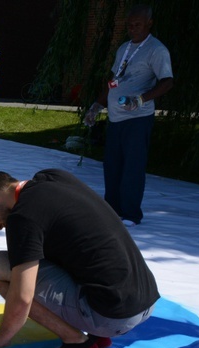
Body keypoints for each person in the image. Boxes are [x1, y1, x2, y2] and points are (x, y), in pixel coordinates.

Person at [0, 169, 159, 348]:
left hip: (112, 316)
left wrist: (1, 338)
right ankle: (98, 336)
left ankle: (77, 344)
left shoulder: (22, 216)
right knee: (58, 251)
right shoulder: (54, 178)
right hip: (144, 301)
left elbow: (22, 297)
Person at [84, 4, 173, 227]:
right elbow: (114, 80)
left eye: (138, 25)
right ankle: (112, 210)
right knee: (112, 166)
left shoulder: (156, 49)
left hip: (137, 118)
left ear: (149, 23)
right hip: (116, 118)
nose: (133, 29)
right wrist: (96, 105)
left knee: (132, 167)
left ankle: (131, 214)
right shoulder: (124, 48)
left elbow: (167, 82)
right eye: (130, 25)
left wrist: (141, 99)